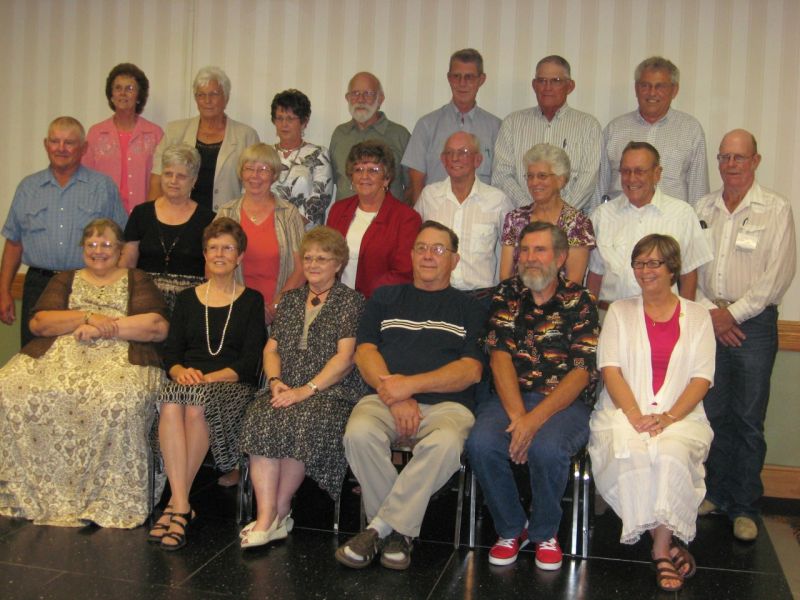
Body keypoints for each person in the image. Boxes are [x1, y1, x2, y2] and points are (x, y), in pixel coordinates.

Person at [335, 221, 484, 571]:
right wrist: (396, 395)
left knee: (446, 443)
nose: (428, 256)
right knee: (358, 433)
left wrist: (410, 386)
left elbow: (471, 371)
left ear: (455, 259)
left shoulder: (471, 308)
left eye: (438, 249)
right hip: (385, 399)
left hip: (449, 406)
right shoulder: (385, 298)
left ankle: (379, 528)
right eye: (421, 248)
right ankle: (399, 534)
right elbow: (365, 352)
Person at [0, 218, 168, 528]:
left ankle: (112, 496)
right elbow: (39, 324)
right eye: (91, 244)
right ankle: (27, 493)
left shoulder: (136, 279)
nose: (98, 251)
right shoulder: (66, 279)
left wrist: (106, 328)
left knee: (119, 398)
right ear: (82, 249)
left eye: (106, 245)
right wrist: (87, 316)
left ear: (119, 250)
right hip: (59, 357)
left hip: (120, 356)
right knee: (10, 386)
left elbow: (156, 327)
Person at [466, 222, 599, 572]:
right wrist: (517, 418)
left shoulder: (579, 300)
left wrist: (532, 423)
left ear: (560, 257)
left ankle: (544, 532)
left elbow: (582, 371)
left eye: (539, 250)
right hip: (511, 398)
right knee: (480, 443)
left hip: (563, 403)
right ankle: (511, 528)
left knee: (547, 447)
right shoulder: (506, 294)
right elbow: (499, 357)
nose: (529, 258)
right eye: (524, 250)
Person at [588, 234, 715, 592]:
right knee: (638, 451)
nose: (645, 271)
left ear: (672, 267)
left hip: (682, 415)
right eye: (639, 263)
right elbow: (609, 369)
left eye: (654, 263)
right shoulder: (619, 311)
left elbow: (702, 378)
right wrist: (634, 414)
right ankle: (667, 543)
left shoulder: (699, 316)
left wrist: (670, 418)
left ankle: (660, 547)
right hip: (622, 411)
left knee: (671, 452)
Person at [694, 129, 797, 542]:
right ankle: (715, 494)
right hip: (707, 318)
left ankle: (745, 506)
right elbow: (690, 268)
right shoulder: (703, 208)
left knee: (748, 420)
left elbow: (777, 277)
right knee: (711, 415)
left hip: (753, 325)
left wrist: (730, 315)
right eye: (724, 158)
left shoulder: (775, 208)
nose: (731, 165)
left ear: (755, 161)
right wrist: (711, 313)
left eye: (739, 158)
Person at [238, 227, 367, 548]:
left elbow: (346, 359)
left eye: (322, 258)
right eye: (308, 257)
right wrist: (276, 382)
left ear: (338, 263)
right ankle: (270, 515)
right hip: (285, 385)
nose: (313, 264)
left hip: (330, 391)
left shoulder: (352, 302)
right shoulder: (292, 300)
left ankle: (276, 513)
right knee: (261, 416)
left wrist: (305, 390)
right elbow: (271, 349)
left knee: (300, 420)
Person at [148, 218, 266, 551]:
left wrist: (209, 377)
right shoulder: (186, 300)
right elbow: (171, 354)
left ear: (239, 256)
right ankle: (182, 504)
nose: (219, 254)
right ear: (204, 254)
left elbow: (248, 363)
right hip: (186, 383)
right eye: (213, 247)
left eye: (227, 248)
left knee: (195, 401)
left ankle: (175, 505)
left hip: (230, 387)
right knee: (172, 400)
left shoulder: (251, 300)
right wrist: (180, 370)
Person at [0, 116, 126, 347]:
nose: (61, 148)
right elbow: (14, 243)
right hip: (39, 284)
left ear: (83, 148)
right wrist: (4, 290)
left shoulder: (102, 186)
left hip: (88, 284)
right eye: (55, 141)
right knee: (34, 355)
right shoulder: (28, 188)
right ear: (45, 144)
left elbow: (122, 243)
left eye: (69, 142)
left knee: (83, 357)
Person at [587, 142, 711, 309]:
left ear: (657, 174)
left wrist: (683, 318)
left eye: (639, 171)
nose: (631, 179)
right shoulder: (601, 216)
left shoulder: (682, 214)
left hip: (664, 318)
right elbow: (595, 274)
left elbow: (689, 275)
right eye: (626, 171)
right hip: (609, 315)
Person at [595, 56, 709, 208]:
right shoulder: (615, 129)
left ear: (674, 90)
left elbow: (699, 191)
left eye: (660, 86)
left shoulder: (691, 130)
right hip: (621, 220)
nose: (652, 93)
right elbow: (600, 187)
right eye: (645, 86)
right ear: (636, 89)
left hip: (671, 222)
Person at [492, 55, 601, 212]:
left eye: (555, 81)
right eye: (542, 81)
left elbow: (588, 179)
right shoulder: (512, 123)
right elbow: (502, 175)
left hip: (569, 224)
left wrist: (559, 212)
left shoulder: (588, 126)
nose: (547, 87)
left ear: (570, 86)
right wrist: (531, 210)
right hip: (524, 222)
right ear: (534, 85)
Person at [415, 132, 511, 306]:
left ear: (478, 160)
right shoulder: (429, 196)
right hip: (434, 296)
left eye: (463, 152)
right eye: (449, 153)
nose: (455, 158)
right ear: (443, 160)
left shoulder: (497, 200)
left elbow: (513, 249)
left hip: (481, 299)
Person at [216, 143, 305, 325]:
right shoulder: (226, 213)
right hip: (233, 312)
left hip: (281, 315)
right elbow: (213, 266)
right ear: (241, 173)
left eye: (263, 169)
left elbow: (301, 268)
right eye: (249, 168)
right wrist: (242, 306)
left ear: (274, 175)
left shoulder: (289, 214)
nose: (255, 176)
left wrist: (275, 308)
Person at [120, 144, 216, 313]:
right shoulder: (141, 213)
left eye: (181, 176)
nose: (173, 181)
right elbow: (127, 263)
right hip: (144, 299)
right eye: (168, 174)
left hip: (191, 303)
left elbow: (211, 272)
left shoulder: (208, 219)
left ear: (193, 181)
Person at [149, 66, 259, 212]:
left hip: (225, 222)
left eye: (214, 94)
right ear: (196, 99)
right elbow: (157, 181)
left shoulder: (246, 136)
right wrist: (153, 219)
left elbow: (254, 187)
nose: (207, 100)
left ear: (225, 98)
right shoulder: (174, 132)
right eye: (201, 95)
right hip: (178, 219)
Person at [402, 49, 501, 203]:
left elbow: (500, 179)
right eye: (457, 76)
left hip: (481, 218)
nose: (462, 83)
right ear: (449, 78)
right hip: (435, 216)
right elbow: (416, 180)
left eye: (469, 77)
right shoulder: (426, 125)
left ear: (481, 80)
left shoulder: (496, 128)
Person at [326, 140, 421, 298]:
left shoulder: (406, 218)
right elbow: (325, 257)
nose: (364, 176)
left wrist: (362, 300)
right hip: (337, 305)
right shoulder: (338, 210)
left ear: (386, 178)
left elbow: (404, 272)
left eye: (373, 170)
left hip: (381, 305)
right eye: (358, 169)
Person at [499, 143, 594, 284]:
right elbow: (505, 277)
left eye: (542, 176)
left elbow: (573, 283)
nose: (534, 182)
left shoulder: (577, 224)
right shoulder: (514, 219)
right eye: (530, 176)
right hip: (517, 302)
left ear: (560, 180)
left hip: (560, 304)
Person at [83, 63, 164, 213]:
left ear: (139, 96)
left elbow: (162, 182)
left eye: (130, 88)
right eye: (118, 88)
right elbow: (85, 178)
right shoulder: (96, 133)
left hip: (143, 217)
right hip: (103, 215)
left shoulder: (155, 134)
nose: (123, 93)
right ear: (111, 95)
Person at [329, 72, 410, 202]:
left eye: (368, 94)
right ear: (347, 98)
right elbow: (334, 180)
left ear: (380, 99)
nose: (361, 99)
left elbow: (411, 186)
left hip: (388, 219)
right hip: (345, 219)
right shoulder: (339, 134)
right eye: (355, 93)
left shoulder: (400, 135)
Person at [269, 89, 333, 228]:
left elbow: (321, 197)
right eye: (279, 118)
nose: (284, 124)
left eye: (291, 119)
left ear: (304, 122)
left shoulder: (318, 154)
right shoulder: (265, 154)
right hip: (267, 230)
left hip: (305, 235)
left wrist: (290, 226)